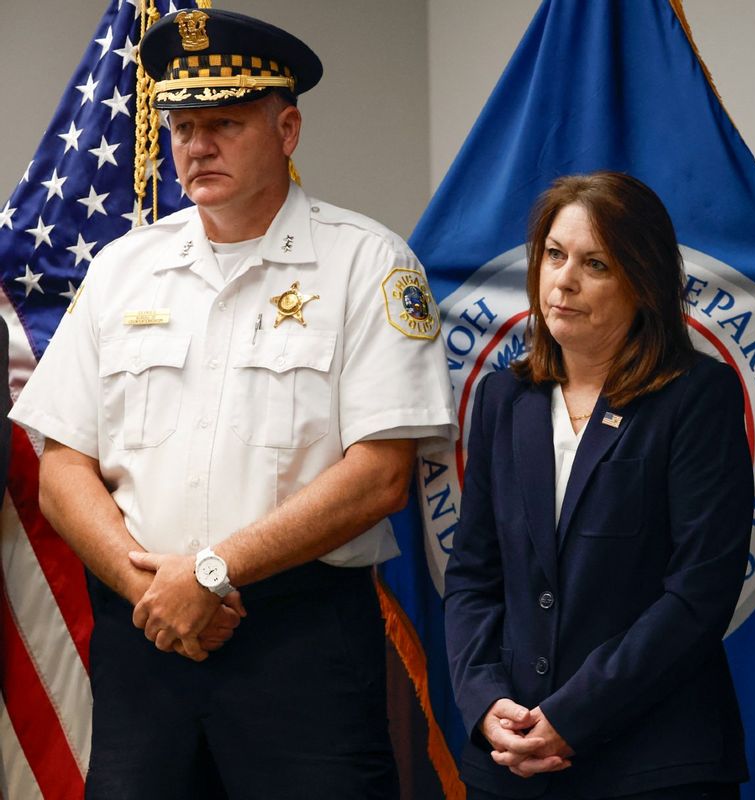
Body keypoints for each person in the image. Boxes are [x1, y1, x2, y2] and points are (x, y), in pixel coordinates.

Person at [9, 9, 456, 798]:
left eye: (224, 123)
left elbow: (381, 475)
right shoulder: (122, 269)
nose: (196, 146)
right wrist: (155, 589)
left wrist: (211, 573)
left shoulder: (368, 263)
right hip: (144, 637)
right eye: (181, 125)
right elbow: (62, 466)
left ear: (287, 130)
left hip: (299, 641)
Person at [444, 171, 752, 799]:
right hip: (509, 758)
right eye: (554, 256)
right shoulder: (505, 397)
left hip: (651, 762)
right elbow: (473, 576)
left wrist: (573, 716)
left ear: (643, 284)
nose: (564, 280)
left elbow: (698, 594)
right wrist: (483, 702)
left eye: (596, 265)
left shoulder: (698, 396)